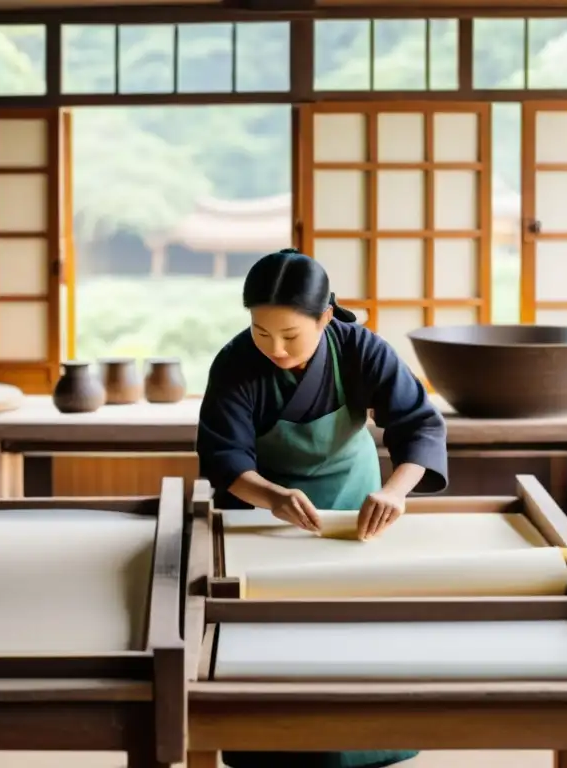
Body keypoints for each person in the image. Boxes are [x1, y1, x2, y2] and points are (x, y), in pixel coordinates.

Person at [195, 248, 449, 768]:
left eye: (291, 335)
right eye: (262, 333)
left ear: (325, 317)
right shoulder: (236, 362)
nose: (275, 348)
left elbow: (419, 424)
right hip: (261, 520)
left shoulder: (360, 349)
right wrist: (271, 497)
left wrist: (395, 491)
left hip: (356, 512)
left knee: (357, 639)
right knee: (268, 647)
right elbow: (223, 457)